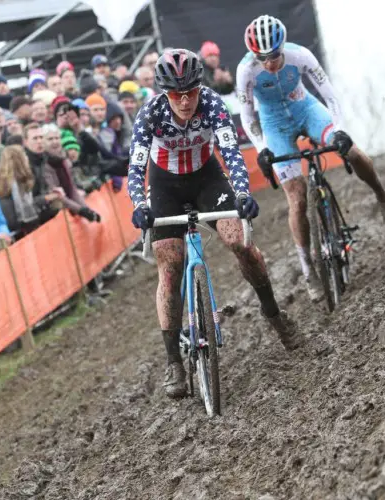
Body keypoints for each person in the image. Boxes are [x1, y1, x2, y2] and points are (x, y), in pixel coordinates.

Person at [128, 48, 299, 399]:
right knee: (170, 265)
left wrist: (241, 193)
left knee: (241, 242)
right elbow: (135, 168)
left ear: (199, 87)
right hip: (165, 185)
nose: (185, 101)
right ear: (164, 93)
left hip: (207, 178)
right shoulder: (150, 113)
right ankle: (174, 362)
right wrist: (139, 205)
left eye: (190, 91)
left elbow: (232, 154)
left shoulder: (212, 103)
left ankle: (276, 316)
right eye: (177, 94)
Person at [236, 15, 385, 301]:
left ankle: (382, 196)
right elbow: (247, 114)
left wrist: (339, 131)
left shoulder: (300, 56)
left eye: (273, 56)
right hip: (275, 125)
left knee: (351, 151)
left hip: (306, 109)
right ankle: (308, 269)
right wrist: (262, 147)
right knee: (297, 197)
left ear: (282, 47)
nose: (268, 63)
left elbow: (331, 96)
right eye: (260, 57)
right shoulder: (246, 71)